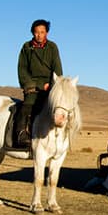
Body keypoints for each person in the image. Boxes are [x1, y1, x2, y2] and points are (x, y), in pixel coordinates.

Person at [14, 19, 63, 147]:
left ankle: (62, 138)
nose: (39, 35)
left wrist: (53, 85)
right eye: (36, 32)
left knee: (60, 107)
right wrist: (32, 85)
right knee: (28, 105)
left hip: (50, 86)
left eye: (42, 32)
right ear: (32, 33)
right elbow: (22, 69)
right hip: (33, 86)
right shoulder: (26, 47)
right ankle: (21, 134)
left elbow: (57, 70)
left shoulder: (52, 47)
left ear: (47, 33)